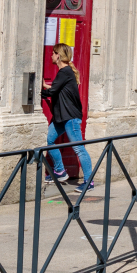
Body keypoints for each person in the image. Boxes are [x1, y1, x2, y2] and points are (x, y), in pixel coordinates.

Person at [41, 44, 93, 188]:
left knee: (79, 149)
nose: (51, 55)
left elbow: (53, 92)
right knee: (50, 140)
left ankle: (89, 181)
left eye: (53, 53)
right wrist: (45, 86)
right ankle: (60, 171)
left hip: (70, 117)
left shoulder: (65, 72)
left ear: (58, 55)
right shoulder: (65, 73)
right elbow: (57, 88)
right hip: (61, 117)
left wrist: (38, 91)